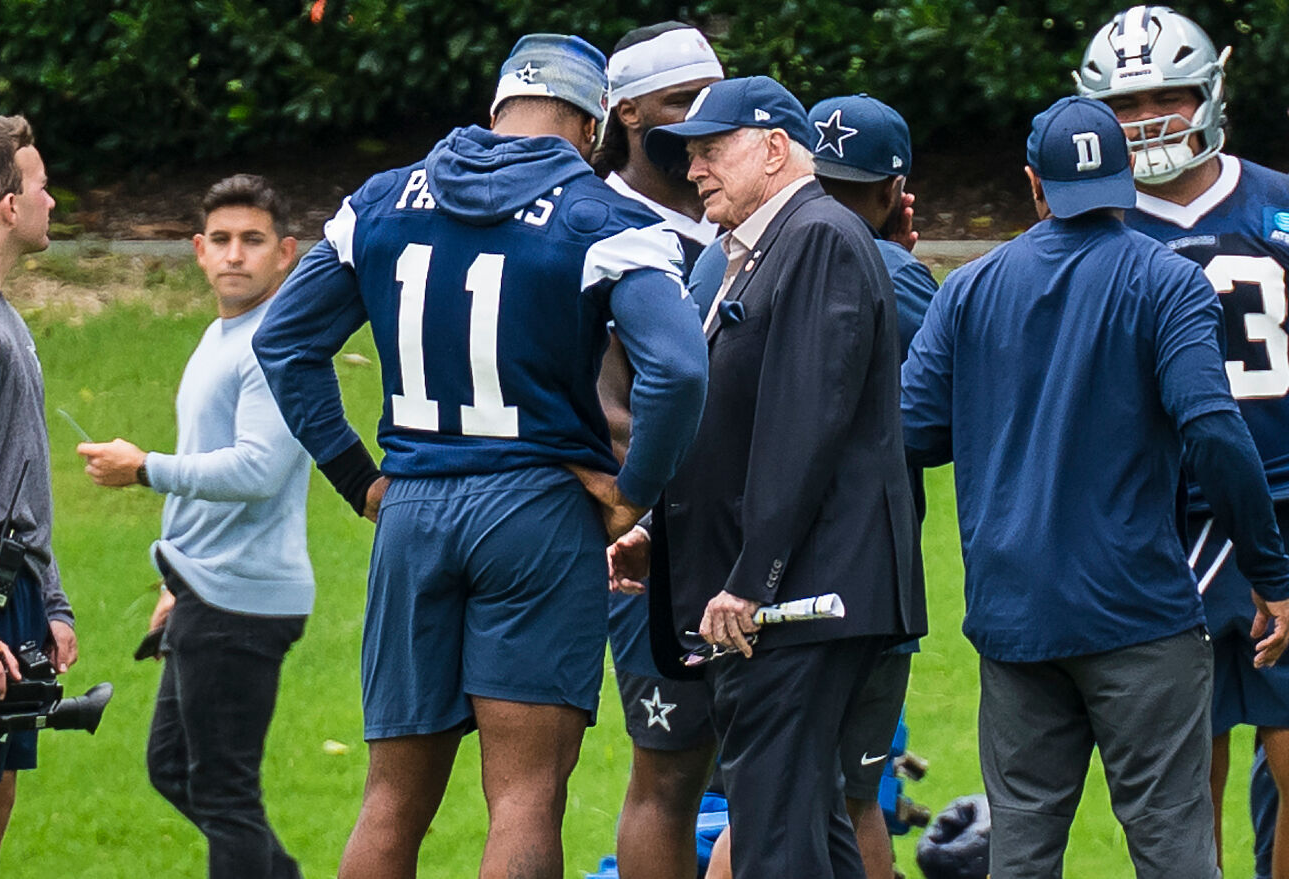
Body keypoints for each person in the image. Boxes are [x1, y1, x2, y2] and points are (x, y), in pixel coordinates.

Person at [251, 34, 709, 879]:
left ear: (497, 108)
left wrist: (360, 478)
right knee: (526, 797)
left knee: (390, 799)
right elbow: (678, 369)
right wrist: (633, 495)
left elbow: (284, 342)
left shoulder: (380, 202)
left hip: (413, 510)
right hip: (539, 511)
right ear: (591, 124)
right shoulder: (605, 220)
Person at [901, 94, 1289, 879]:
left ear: (1034, 185)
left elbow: (913, 432)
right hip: (1139, 613)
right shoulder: (1167, 282)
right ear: (1123, 178)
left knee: (1022, 851)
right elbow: (1213, 430)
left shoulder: (970, 289)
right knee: (1175, 847)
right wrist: (1271, 571)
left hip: (1014, 619)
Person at [622, 75, 927, 879]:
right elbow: (738, 423)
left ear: (774, 147)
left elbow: (806, 420)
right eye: (687, 157)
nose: (693, 172)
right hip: (792, 594)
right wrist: (660, 529)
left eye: (710, 151)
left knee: (771, 837)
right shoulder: (762, 246)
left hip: (800, 599)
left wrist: (754, 577)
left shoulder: (817, 234)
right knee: (809, 827)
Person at [1076, 7, 1289, 874]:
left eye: (1166, 96)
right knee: (1179, 773)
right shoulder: (1095, 229)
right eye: (1126, 106)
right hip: (1158, 523)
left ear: (1208, 93)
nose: (1149, 121)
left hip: (1283, 497)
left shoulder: (1275, 202)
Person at [76, 174, 308, 878]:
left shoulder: (275, 343)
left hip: (244, 598)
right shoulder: (221, 334)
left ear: (287, 253)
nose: (236, 255)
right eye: (223, 240)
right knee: (173, 767)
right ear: (199, 251)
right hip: (205, 588)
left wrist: (145, 466)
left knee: (223, 792)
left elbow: (257, 471)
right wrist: (175, 575)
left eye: (254, 240)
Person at [593, 21, 723, 879]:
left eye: (713, 102)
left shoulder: (738, 220)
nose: (702, 123)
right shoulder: (594, 224)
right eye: (681, 103)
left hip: (751, 535)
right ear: (626, 112)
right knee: (668, 776)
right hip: (646, 545)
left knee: (776, 773)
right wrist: (626, 505)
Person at [809, 92, 936, 879]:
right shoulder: (899, 273)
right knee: (857, 798)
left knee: (766, 796)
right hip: (871, 578)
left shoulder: (733, 254)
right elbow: (949, 407)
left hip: (744, 572)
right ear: (894, 192)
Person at [0, 115, 77, 879]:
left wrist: (54, 598)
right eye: (40, 187)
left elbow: (24, 476)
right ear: (8, 205)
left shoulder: (0, 315)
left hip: (14, 597)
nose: (51, 202)